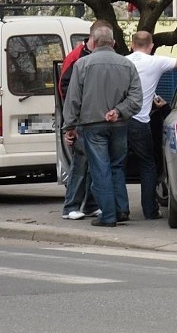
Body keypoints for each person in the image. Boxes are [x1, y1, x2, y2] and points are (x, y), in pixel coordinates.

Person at [62, 22, 142, 227]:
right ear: (114, 43)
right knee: (117, 167)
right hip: (119, 124)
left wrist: (69, 126)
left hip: (92, 125)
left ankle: (108, 215)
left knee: (100, 169)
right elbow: (136, 99)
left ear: (94, 42)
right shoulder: (127, 65)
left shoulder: (82, 64)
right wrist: (119, 111)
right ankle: (121, 209)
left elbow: (73, 99)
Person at [126, 31, 177, 219]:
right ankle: (150, 210)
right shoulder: (155, 62)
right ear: (151, 46)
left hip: (119, 120)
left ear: (132, 45)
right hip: (140, 122)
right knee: (148, 165)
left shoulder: (123, 61)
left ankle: (119, 209)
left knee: (116, 166)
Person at [58, 30, 100, 221]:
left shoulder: (95, 55)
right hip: (82, 119)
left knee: (92, 165)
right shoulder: (75, 58)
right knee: (81, 164)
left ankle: (90, 205)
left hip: (92, 118)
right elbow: (65, 89)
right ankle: (71, 206)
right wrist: (71, 122)